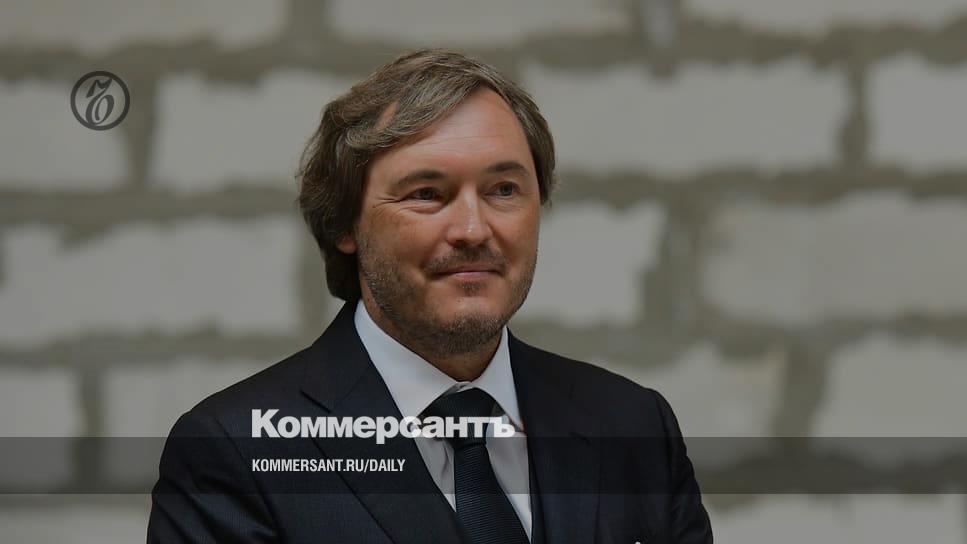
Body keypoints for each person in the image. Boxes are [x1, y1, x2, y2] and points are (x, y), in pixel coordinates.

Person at [147, 48, 713, 544]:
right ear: (345, 223)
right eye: (426, 193)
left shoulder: (634, 425)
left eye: (504, 189)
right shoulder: (234, 453)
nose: (472, 229)